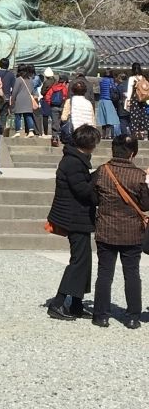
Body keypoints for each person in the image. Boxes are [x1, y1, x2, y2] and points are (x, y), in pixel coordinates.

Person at [92, 134, 149, 329]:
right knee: (132, 273)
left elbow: (92, 196)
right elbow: (145, 204)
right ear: (133, 153)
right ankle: (133, 316)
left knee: (104, 273)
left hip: (106, 228)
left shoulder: (102, 171)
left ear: (113, 150)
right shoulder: (140, 175)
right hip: (132, 231)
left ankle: (101, 315)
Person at [46, 124, 100, 321]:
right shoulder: (73, 162)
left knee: (84, 261)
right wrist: (99, 177)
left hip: (78, 216)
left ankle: (76, 303)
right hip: (74, 217)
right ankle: (58, 303)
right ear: (89, 143)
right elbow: (84, 191)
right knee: (78, 261)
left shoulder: (76, 159)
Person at [10, 64, 36, 137]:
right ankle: (31, 131)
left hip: (19, 100)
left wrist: (12, 100)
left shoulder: (18, 79)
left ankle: (17, 131)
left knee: (18, 116)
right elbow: (32, 91)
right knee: (28, 115)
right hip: (28, 99)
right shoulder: (30, 79)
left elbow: (14, 91)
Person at [0, 57, 15, 134]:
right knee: (4, 114)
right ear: (8, 65)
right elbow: (13, 87)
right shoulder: (11, 74)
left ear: (0, 65)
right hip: (7, 96)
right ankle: (2, 129)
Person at [44, 75, 69, 146]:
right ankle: (62, 137)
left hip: (54, 107)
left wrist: (51, 104)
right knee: (63, 122)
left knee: (55, 122)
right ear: (64, 82)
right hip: (62, 107)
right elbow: (66, 97)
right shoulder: (65, 88)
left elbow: (47, 97)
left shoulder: (53, 87)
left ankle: (54, 138)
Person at [126, 63, 149, 139]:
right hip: (143, 99)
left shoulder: (132, 78)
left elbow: (129, 90)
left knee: (134, 117)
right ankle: (144, 134)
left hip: (135, 99)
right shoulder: (143, 78)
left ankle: (135, 134)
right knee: (143, 116)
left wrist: (128, 100)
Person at [97, 70, 121, 140]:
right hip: (108, 100)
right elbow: (114, 89)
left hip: (101, 100)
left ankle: (103, 135)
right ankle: (107, 135)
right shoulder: (111, 80)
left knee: (103, 119)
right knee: (109, 119)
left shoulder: (101, 80)